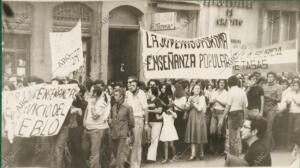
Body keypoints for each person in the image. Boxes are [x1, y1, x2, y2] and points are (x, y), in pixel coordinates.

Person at [82, 85, 111, 168]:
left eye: (91, 91)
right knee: (84, 149)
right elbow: (86, 111)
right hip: (87, 128)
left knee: (94, 152)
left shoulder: (102, 102)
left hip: (97, 130)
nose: (89, 92)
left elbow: (95, 116)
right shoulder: (91, 99)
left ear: (95, 93)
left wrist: (93, 105)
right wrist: (84, 121)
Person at [220, 75, 248, 157]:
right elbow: (245, 106)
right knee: (238, 136)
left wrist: (222, 119)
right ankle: (238, 154)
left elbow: (227, 107)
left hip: (232, 115)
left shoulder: (230, 92)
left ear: (229, 83)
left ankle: (234, 157)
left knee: (232, 138)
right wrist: (244, 118)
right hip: (240, 114)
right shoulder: (242, 91)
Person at [125, 77, 148, 168]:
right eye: (129, 84)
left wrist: (146, 123)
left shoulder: (141, 94)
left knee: (136, 143)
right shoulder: (127, 93)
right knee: (127, 141)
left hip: (138, 119)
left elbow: (146, 109)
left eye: (133, 85)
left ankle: (135, 165)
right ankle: (127, 162)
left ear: (137, 87)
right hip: (127, 120)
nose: (130, 86)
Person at [110, 88, 135, 168]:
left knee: (120, 154)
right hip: (114, 133)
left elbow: (131, 122)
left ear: (121, 96)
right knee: (115, 153)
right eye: (114, 95)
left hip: (122, 134)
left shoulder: (128, 107)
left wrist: (129, 133)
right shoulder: (113, 106)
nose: (114, 97)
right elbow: (112, 118)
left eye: (116, 95)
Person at [185, 84, 207, 160]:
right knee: (192, 135)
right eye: (195, 88)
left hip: (199, 118)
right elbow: (186, 108)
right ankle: (193, 154)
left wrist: (193, 103)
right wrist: (190, 102)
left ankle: (201, 153)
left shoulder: (202, 97)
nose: (197, 90)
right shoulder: (190, 97)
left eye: (198, 88)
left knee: (199, 135)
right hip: (192, 117)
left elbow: (200, 108)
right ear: (192, 90)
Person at [262, 72, 282, 152]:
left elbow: (279, 100)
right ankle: (272, 144)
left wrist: (270, 97)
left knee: (269, 128)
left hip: (272, 109)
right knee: (264, 127)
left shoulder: (278, 87)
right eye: (268, 77)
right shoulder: (264, 86)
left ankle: (268, 147)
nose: (269, 78)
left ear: (274, 78)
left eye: (271, 77)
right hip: (264, 109)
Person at [210, 79, 228, 155]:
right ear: (218, 83)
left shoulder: (226, 93)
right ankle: (214, 148)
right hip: (214, 112)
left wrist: (217, 100)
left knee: (220, 132)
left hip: (221, 113)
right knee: (212, 131)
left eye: (223, 83)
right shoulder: (214, 91)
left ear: (225, 84)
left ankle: (221, 150)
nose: (221, 84)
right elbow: (210, 102)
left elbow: (226, 105)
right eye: (220, 82)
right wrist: (212, 102)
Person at [145, 87, 163, 162]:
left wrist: (149, 110)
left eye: (149, 92)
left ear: (153, 92)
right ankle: (149, 156)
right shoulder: (147, 100)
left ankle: (151, 158)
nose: (148, 93)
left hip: (157, 122)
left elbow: (160, 110)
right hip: (149, 122)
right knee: (148, 139)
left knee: (154, 139)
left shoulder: (158, 100)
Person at [285, 80, 300, 149]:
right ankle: (289, 146)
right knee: (289, 129)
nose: (295, 87)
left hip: (298, 113)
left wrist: (295, 100)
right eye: (294, 85)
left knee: (296, 130)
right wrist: (288, 102)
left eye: (296, 85)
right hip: (291, 112)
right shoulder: (290, 93)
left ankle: (296, 145)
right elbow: (287, 101)